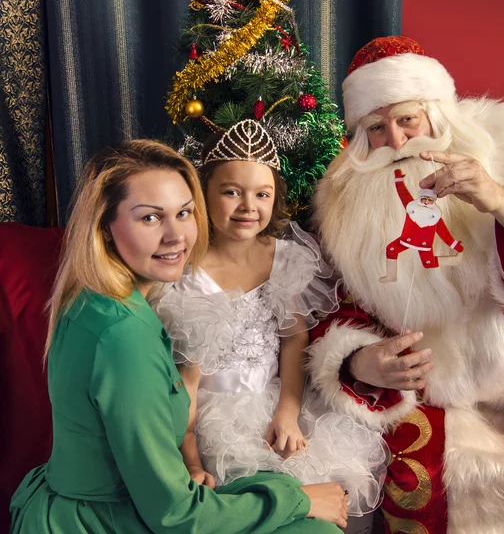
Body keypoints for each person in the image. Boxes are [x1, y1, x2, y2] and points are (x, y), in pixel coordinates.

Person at [306, 36, 504, 533]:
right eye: (376, 128)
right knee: (422, 488)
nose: (398, 142)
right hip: (432, 399)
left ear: (437, 113)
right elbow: (335, 309)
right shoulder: (343, 205)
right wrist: (359, 360)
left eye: (408, 120)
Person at [9, 139, 347, 533]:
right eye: (150, 218)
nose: (176, 236)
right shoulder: (123, 336)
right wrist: (299, 499)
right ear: (105, 227)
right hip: (107, 519)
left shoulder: (107, 301)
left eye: (184, 213)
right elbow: (175, 514)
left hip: (136, 500)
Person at [152, 120, 389, 519]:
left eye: (262, 194)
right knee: (249, 498)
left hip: (278, 399)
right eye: (231, 192)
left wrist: (288, 411)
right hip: (213, 416)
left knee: (310, 481)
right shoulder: (187, 273)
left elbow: (295, 340)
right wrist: (190, 454)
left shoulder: (284, 259)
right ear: (202, 195)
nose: (249, 206)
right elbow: (185, 378)